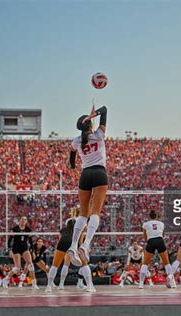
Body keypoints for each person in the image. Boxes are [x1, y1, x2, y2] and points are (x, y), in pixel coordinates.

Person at [67, 104, 108, 266]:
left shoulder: (77, 141)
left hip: (85, 174)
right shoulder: (99, 135)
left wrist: (72, 167)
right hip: (99, 173)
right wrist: (95, 114)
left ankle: (73, 245)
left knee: (83, 214)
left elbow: (71, 155)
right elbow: (105, 109)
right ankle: (85, 244)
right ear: (90, 124)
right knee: (95, 212)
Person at [46, 208, 95, 293]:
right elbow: (81, 235)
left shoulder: (68, 220)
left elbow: (64, 233)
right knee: (84, 264)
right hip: (73, 241)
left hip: (63, 241)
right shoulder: (83, 221)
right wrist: (80, 247)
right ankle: (89, 286)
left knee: (55, 265)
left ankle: (49, 287)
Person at [139, 210, 175, 289]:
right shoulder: (161, 224)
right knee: (166, 262)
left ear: (149, 216)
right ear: (156, 216)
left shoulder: (145, 224)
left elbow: (145, 236)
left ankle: (141, 283)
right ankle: (171, 281)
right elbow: (162, 234)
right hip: (159, 240)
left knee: (145, 263)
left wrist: (148, 241)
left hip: (151, 241)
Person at [3, 216, 38, 289]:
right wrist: (10, 250)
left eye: (25, 220)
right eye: (22, 220)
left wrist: (33, 251)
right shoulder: (15, 229)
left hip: (24, 248)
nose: (23, 221)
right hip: (16, 248)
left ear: (26, 222)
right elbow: (9, 241)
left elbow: (31, 242)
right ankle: (6, 279)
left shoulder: (28, 230)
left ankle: (34, 283)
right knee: (17, 268)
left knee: (30, 264)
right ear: (20, 221)